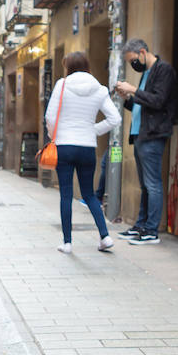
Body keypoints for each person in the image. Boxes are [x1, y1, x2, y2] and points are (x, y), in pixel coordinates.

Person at [44, 51, 120, 254]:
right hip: (87, 147)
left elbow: (50, 116)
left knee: (66, 195)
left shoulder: (62, 85)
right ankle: (105, 237)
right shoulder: (99, 89)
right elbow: (115, 119)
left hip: (65, 146)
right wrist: (92, 130)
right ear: (87, 66)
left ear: (67, 66)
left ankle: (67, 243)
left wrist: (55, 135)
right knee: (89, 194)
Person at [114, 39, 178, 245]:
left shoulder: (163, 70)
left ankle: (151, 230)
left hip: (153, 134)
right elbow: (142, 106)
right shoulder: (146, 74)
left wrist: (133, 89)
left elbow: (158, 101)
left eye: (133, 60)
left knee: (152, 184)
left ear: (142, 52)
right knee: (145, 185)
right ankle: (141, 226)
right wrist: (127, 98)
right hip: (140, 134)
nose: (134, 64)